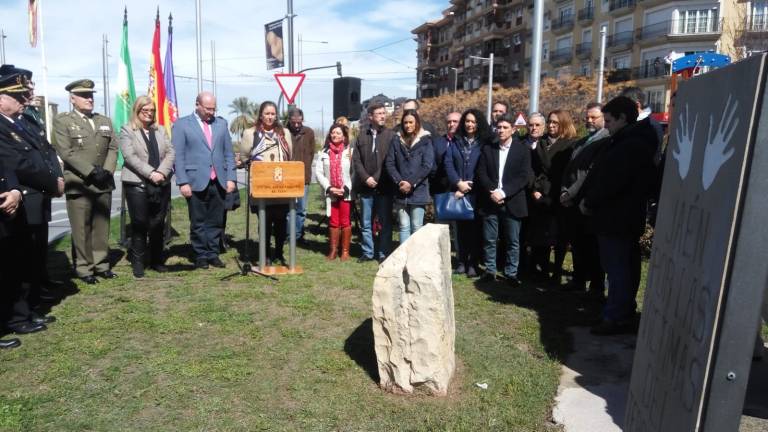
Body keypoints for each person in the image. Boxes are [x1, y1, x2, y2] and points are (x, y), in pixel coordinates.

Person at [580, 96, 654, 335]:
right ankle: (621, 311)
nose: (606, 125)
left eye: (609, 120)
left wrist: (590, 201)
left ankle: (616, 316)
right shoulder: (630, 139)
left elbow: (613, 181)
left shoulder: (631, 144)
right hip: (620, 218)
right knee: (624, 267)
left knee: (618, 269)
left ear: (623, 118)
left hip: (617, 219)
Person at [0, 67, 57, 334]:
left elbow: (44, 153)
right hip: (21, 197)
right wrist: (51, 182)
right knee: (14, 264)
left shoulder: (21, 123)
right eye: (18, 96)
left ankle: (24, 312)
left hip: (28, 196)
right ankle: (16, 316)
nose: (25, 100)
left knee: (27, 261)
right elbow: (16, 163)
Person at [52, 79, 118, 284]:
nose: (89, 99)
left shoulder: (104, 120)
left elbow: (113, 148)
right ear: (72, 99)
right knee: (81, 228)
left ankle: (101, 264)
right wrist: (90, 171)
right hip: (80, 182)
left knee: (101, 225)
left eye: (91, 95)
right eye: (84, 95)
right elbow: (65, 151)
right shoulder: (63, 121)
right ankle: (83, 268)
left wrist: (106, 171)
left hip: (103, 181)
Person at [173, 91, 236, 270]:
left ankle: (213, 253)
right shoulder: (182, 125)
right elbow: (178, 156)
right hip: (195, 181)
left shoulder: (221, 124)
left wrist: (231, 178)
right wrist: (182, 181)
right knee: (198, 220)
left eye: (213, 109)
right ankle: (200, 254)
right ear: (197, 105)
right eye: (208, 108)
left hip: (219, 180)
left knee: (216, 220)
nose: (211, 112)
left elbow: (228, 154)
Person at [119, 96, 175, 278]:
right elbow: (130, 156)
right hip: (138, 183)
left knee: (158, 223)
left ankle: (156, 260)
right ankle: (138, 262)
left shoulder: (159, 130)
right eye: (145, 111)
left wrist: (162, 173)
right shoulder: (127, 130)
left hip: (160, 182)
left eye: (152, 111)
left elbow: (170, 152)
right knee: (140, 223)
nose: (149, 114)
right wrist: (151, 173)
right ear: (137, 111)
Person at [475, 114, 532, 284]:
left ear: (513, 130)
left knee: (513, 241)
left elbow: (523, 177)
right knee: (490, 239)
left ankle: (511, 273)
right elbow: (481, 173)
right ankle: (490, 271)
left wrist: (504, 193)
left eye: (505, 127)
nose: (501, 130)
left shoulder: (522, 150)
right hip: (490, 200)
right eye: (498, 127)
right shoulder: (488, 148)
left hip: (512, 201)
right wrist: (492, 192)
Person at [560, 102, 608, 296]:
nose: (589, 120)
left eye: (593, 117)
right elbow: (570, 169)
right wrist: (564, 191)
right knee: (578, 244)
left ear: (603, 118)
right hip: (571, 202)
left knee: (592, 247)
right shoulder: (582, 142)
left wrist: (570, 194)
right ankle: (579, 279)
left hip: (585, 202)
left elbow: (588, 173)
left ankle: (596, 285)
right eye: (587, 117)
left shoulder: (604, 141)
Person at [240, 101, 293, 266]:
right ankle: (266, 254)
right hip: (261, 186)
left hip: (281, 185)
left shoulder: (284, 133)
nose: (270, 117)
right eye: (267, 114)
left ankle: (279, 252)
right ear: (261, 115)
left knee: (281, 221)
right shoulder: (251, 133)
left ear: (276, 115)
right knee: (265, 220)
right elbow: (244, 157)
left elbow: (290, 156)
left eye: (272, 114)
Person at [528, 109, 578, 284]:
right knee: (540, 235)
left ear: (563, 124)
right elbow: (533, 170)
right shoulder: (540, 143)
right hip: (539, 194)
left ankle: (556, 271)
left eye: (555, 122)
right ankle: (540, 268)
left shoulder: (569, 145)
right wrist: (534, 189)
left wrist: (552, 194)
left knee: (559, 237)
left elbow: (565, 173)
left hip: (557, 196)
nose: (550, 125)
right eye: (549, 121)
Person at [444, 109, 490, 277]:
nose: (470, 124)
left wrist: (470, 186)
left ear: (478, 124)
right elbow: (448, 164)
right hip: (458, 191)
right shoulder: (456, 141)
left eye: (473, 122)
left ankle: (473, 263)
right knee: (460, 231)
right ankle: (462, 262)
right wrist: (458, 183)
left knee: (475, 231)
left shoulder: (484, 142)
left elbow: (485, 167)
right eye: (467, 121)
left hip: (476, 193)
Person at [352, 103, 395, 263]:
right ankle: (368, 252)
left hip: (384, 187)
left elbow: (389, 160)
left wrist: (375, 178)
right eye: (379, 113)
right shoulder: (362, 136)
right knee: (366, 222)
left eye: (384, 113)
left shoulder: (391, 135)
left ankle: (383, 253)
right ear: (370, 116)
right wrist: (366, 178)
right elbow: (356, 160)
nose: (383, 116)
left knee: (385, 222)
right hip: (366, 187)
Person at [385, 109, 434, 244]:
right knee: (404, 227)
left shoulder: (426, 140)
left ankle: (415, 260)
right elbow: (390, 163)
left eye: (411, 122)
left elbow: (427, 165)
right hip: (400, 192)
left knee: (417, 226)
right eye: (405, 122)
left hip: (418, 191)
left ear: (417, 122)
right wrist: (400, 182)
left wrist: (411, 183)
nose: (408, 125)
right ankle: (403, 259)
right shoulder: (396, 140)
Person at [315, 123, 353, 260]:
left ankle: (345, 251)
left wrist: (346, 187)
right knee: (333, 221)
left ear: (344, 136)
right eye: (333, 133)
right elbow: (318, 172)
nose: (335, 135)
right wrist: (329, 188)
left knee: (345, 221)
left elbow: (354, 173)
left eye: (338, 133)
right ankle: (333, 250)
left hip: (345, 192)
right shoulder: (324, 153)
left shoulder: (350, 152)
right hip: (331, 193)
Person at [286, 107, 315, 243]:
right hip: (287, 177)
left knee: (301, 209)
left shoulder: (309, 133)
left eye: (299, 122)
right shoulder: (284, 132)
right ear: (289, 121)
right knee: (288, 209)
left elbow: (311, 153)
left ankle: (298, 235)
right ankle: (288, 235)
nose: (296, 125)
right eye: (293, 122)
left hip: (304, 176)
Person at [429, 112, 460, 203]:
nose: (451, 124)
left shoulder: (467, 143)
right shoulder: (437, 142)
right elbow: (432, 166)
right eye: (449, 122)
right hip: (441, 191)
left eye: (455, 121)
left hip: (462, 190)